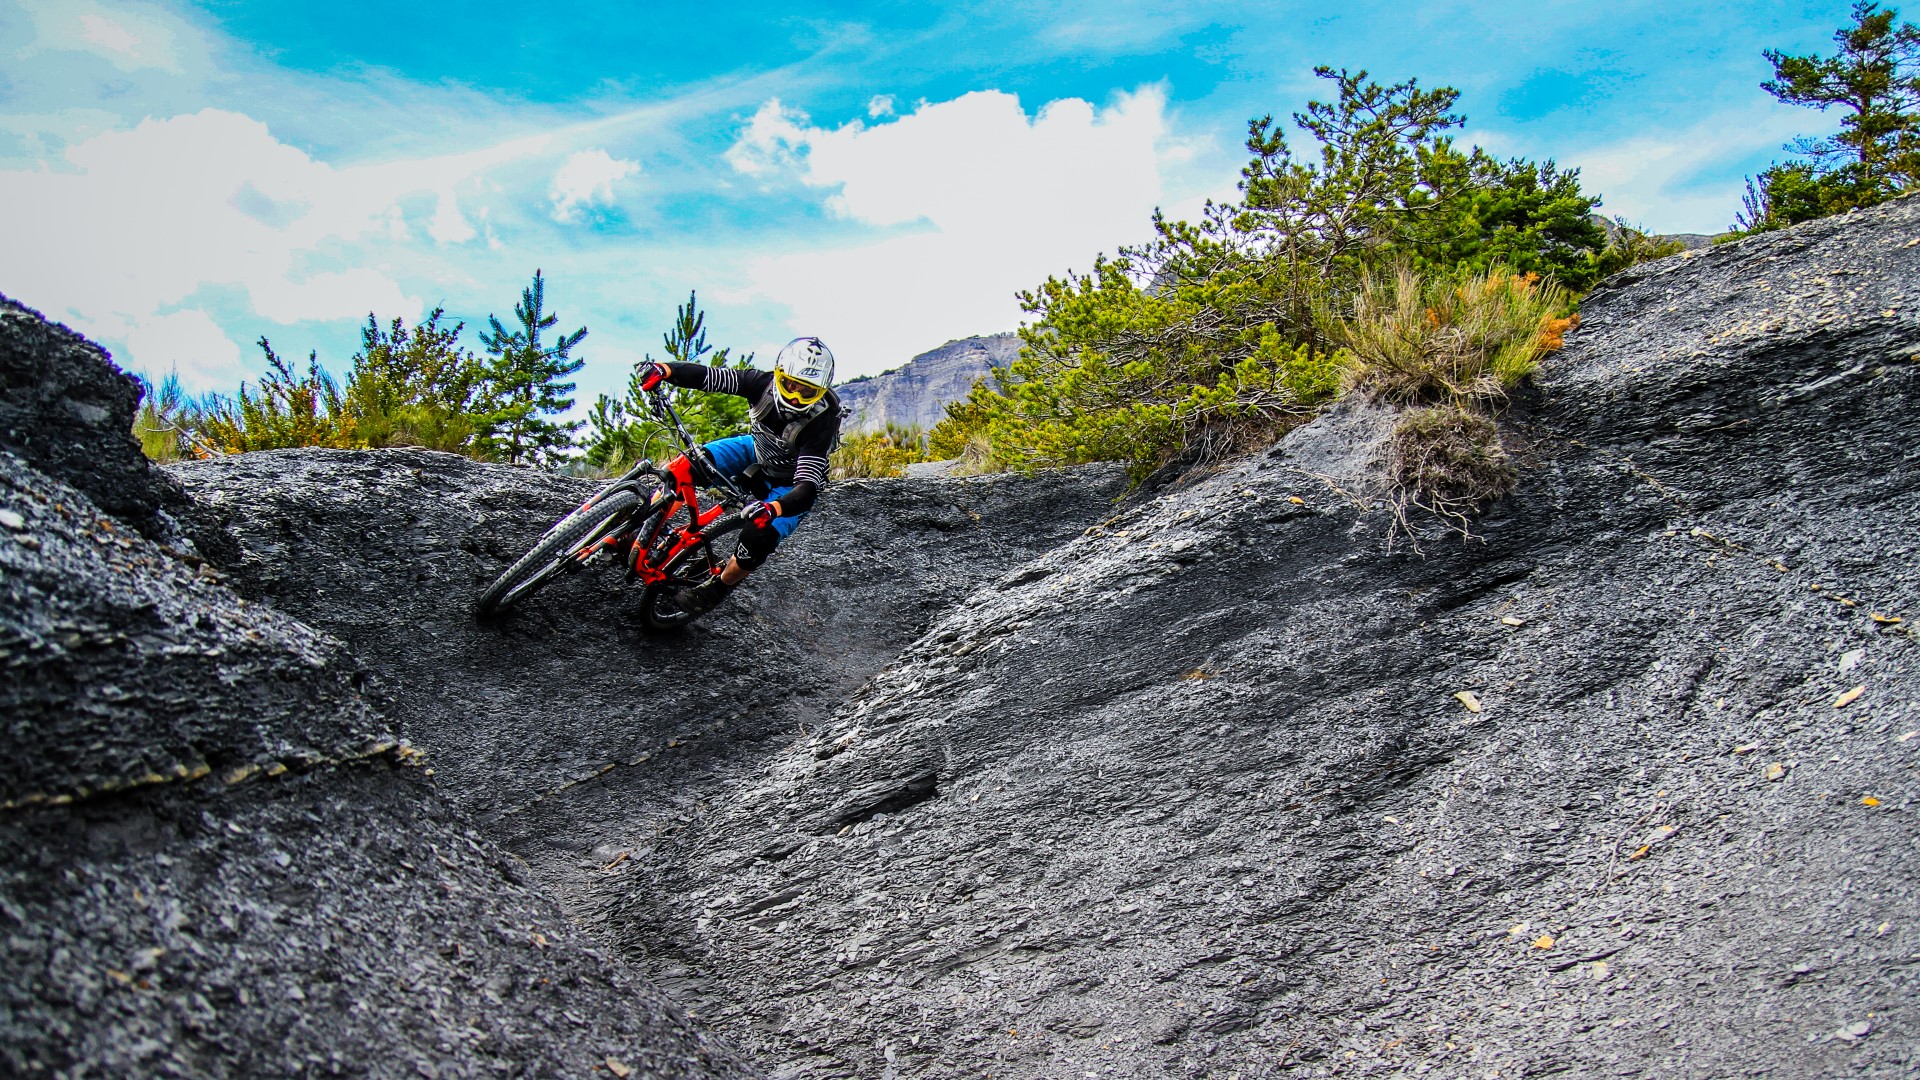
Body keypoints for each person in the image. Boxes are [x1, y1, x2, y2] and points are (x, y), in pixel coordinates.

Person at [635, 336, 841, 617]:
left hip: (788, 484)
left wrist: (774, 508)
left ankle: (717, 587)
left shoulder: (821, 421)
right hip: (756, 449)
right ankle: (645, 528)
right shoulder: (760, 383)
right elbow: (711, 377)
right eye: (790, 385)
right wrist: (665, 370)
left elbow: (806, 487)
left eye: (806, 392)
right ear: (779, 375)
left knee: (759, 535)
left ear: (820, 392)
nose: (794, 396)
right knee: (681, 469)